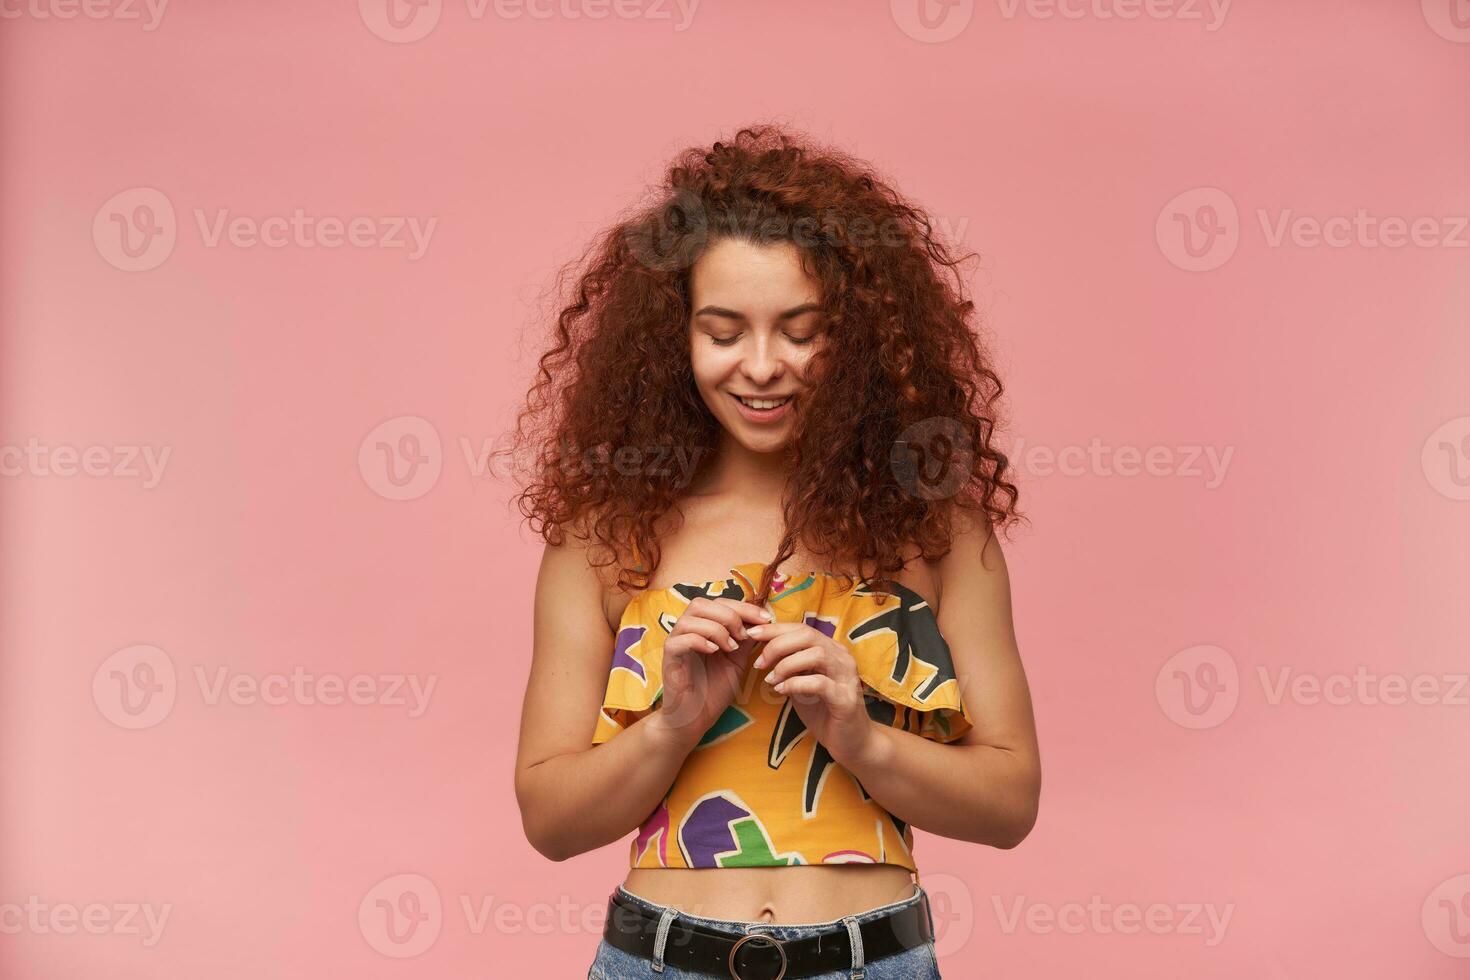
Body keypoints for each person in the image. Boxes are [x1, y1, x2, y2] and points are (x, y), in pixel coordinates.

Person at [507, 124, 1040, 979]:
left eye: (801, 330)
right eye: (723, 332)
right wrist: (674, 725)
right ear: (672, 340)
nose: (762, 366)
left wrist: (860, 737)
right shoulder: (606, 537)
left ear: (859, 339)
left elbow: (1011, 803)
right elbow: (550, 821)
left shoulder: (935, 531)